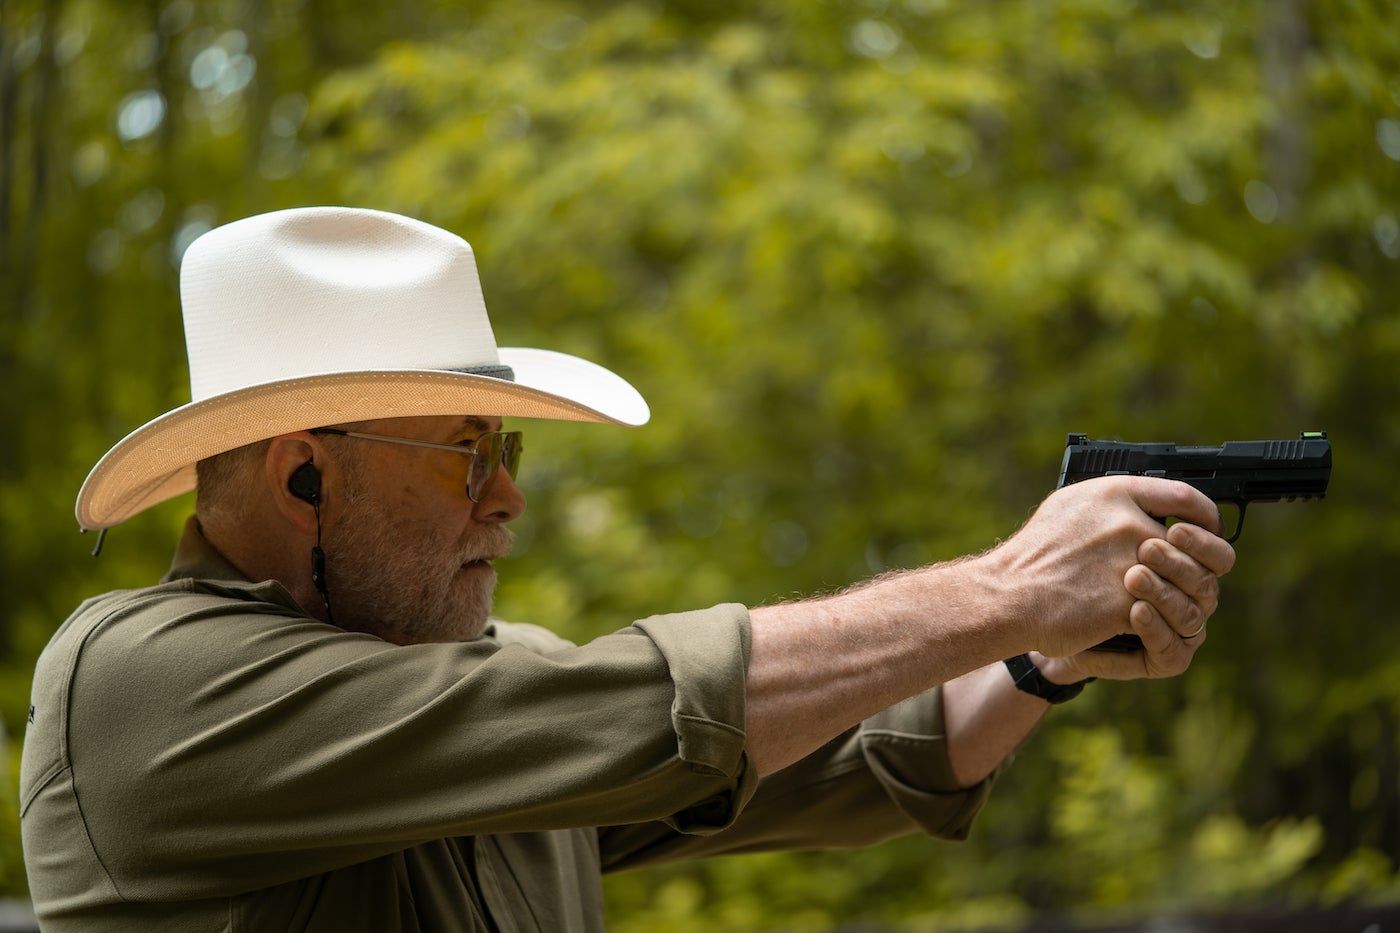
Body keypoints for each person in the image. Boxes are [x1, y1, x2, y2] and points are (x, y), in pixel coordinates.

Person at [20, 207, 1234, 932]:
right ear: (300, 479)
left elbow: (843, 753)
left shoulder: (470, 694)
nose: (508, 497)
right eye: (464, 455)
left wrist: (1032, 658)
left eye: (503, 450)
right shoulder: (139, 684)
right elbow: (654, 706)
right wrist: (1009, 587)